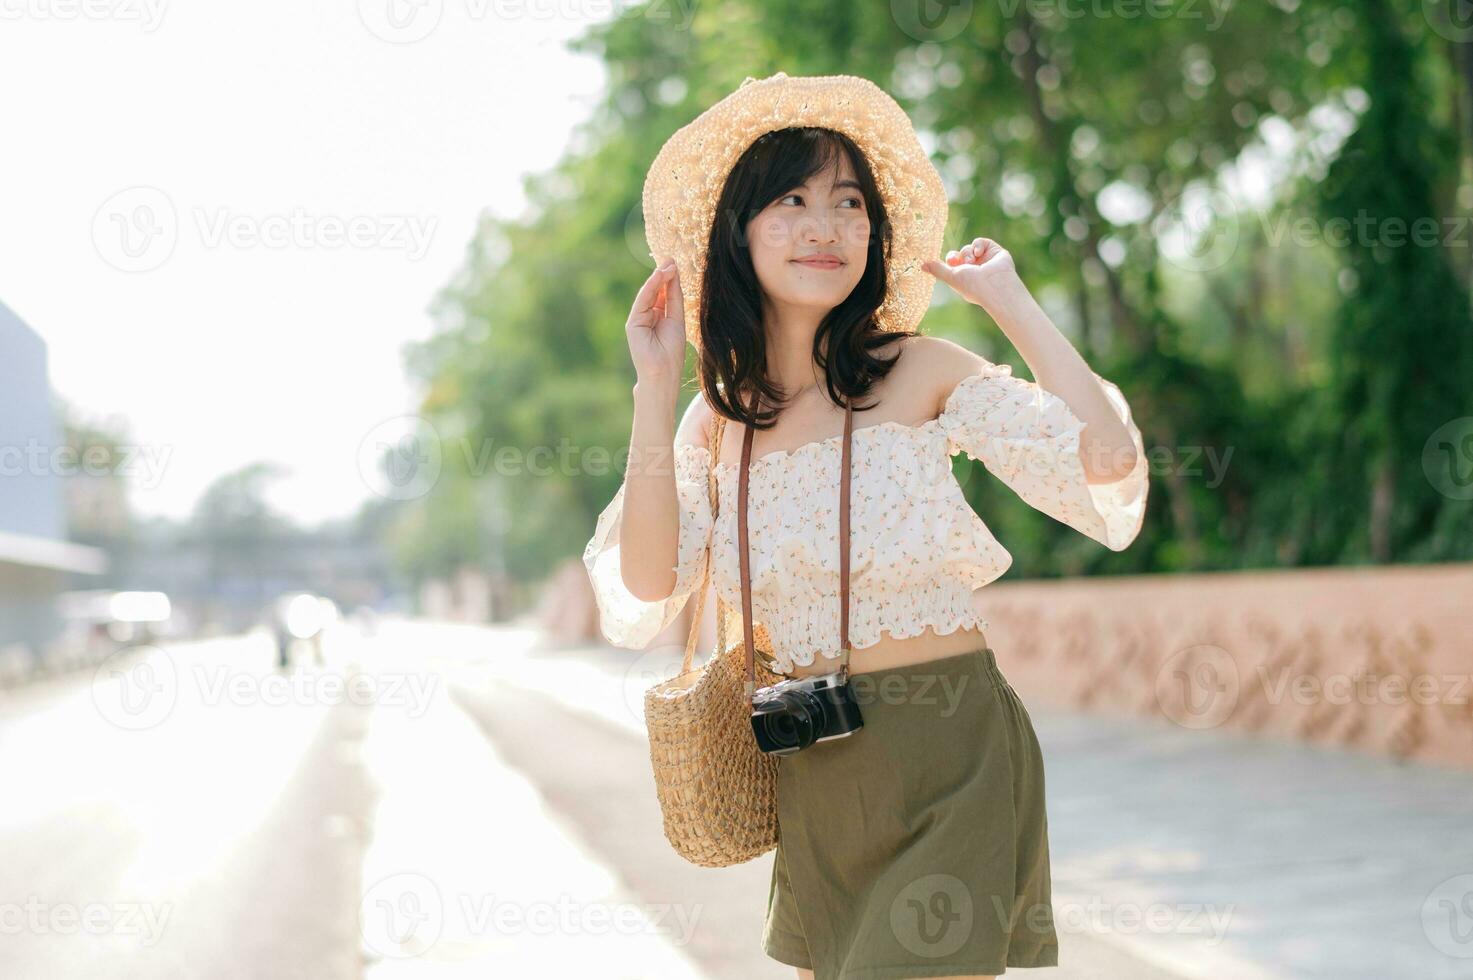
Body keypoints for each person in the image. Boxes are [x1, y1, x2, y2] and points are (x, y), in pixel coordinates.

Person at [583, 72, 1150, 980]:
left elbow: (1106, 460)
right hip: (810, 758)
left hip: (951, 750)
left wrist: (1009, 304)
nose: (825, 227)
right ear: (739, 233)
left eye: (850, 204)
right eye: (792, 201)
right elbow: (651, 580)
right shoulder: (712, 422)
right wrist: (656, 390)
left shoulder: (920, 369)